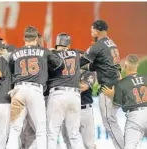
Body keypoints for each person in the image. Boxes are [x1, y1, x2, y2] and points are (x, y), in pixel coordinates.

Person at [6, 26, 64, 149]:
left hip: (18, 90)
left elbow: (10, 71)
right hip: (35, 91)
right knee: (41, 130)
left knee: (14, 129)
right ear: (36, 38)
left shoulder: (15, 53)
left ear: (24, 38)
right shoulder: (44, 51)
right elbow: (60, 64)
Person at [80, 20, 124, 149]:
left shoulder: (98, 45)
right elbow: (97, 65)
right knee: (112, 122)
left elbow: (79, 61)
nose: (91, 32)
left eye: (92, 30)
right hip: (117, 85)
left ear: (97, 31)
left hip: (107, 88)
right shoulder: (112, 44)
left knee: (109, 123)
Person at [47, 33, 84, 149]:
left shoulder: (52, 55)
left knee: (52, 134)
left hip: (58, 94)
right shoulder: (76, 53)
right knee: (74, 135)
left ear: (57, 43)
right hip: (74, 95)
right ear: (68, 44)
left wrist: (51, 51)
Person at [102, 54, 147, 149]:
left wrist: (111, 95)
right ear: (137, 65)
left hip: (135, 118)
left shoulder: (121, 83)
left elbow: (116, 104)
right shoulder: (145, 78)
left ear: (125, 66)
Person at [61, 69, 97, 149]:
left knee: (89, 144)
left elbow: (84, 87)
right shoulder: (66, 71)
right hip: (68, 110)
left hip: (84, 110)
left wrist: (67, 84)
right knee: (69, 142)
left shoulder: (89, 73)